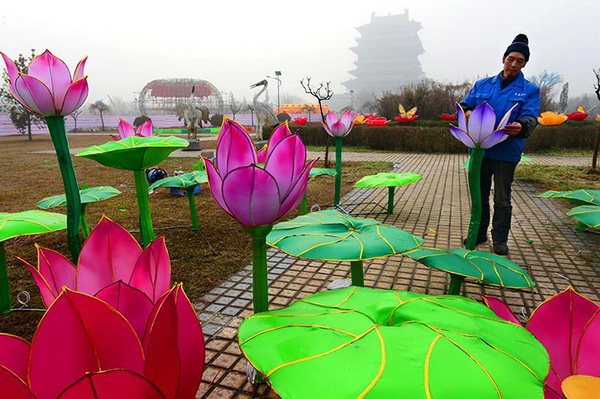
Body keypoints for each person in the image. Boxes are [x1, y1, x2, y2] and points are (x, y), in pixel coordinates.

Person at [460, 34, 541, 255]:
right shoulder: (483, 84)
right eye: (511, 59)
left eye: (520, 61)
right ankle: (478, 233)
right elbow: (466, 104)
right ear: (503, 58)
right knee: (480, 194)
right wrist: (467, 113)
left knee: (502, 198)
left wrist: (522, 126)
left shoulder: (529, 90)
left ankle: (500, 239)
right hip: (480, 150)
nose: (514, 64)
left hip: (507, 151)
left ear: (524, 63)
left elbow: (531, 116)